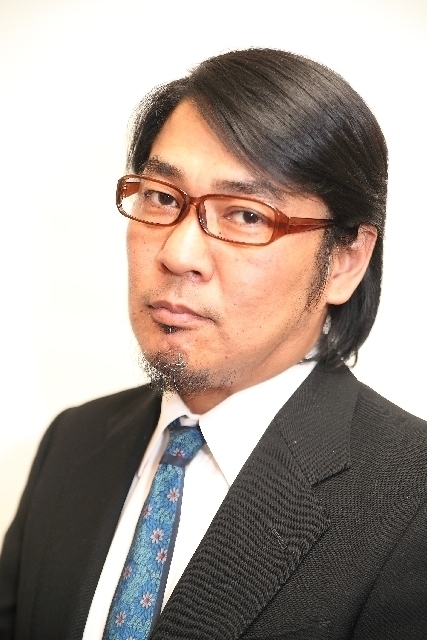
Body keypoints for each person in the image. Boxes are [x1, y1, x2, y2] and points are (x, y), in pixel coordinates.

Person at [0, 48, 426, 640]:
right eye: (160, 197)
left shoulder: (410, 496)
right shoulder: (73, 443)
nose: (178, 253)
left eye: (246, 216)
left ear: (345, 260)